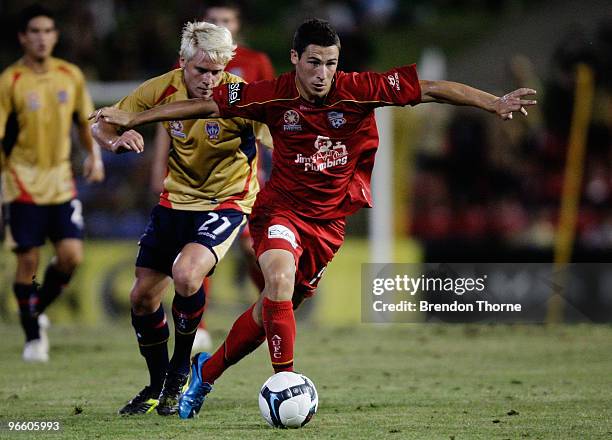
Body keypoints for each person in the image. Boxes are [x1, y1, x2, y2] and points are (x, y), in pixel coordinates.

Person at [93, 18, 537, 419]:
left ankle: (205, 373)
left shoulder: (360, 88)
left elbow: (433, 88)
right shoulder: (270, 90)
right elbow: (206, 106)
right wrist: (137, 117)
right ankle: (286, 382)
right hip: (278, 210)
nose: (322, 73)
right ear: (295, 59)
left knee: (274, 311)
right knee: (278, 280)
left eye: (330, 63)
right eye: (313, 63)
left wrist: (493, 103)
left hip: (329, 224)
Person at [91, 21, 268, 416]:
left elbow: (281, 135)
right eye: (201, 70)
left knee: (188, 275)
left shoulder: (240, 96)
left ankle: (178, 371)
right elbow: (100, 124)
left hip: (228, 200)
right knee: (141, 297)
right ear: (183, 62)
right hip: (176, 202)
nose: (209, 80)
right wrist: (116, 142)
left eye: (217, 71)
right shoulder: (159, 89)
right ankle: (156, 385)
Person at [149, 0, 276, 353]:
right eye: (214, 21)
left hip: (244, 179)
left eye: (226, 21)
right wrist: (160, 168)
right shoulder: (188, 69)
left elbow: (271, 114)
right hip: (194, 183)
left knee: (253, 249)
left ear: (236, 28)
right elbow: (166, 122)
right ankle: (199, 327)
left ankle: (267, 311)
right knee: (192, 257)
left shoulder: (255, 63)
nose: (220, 25)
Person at [0, 4, 105, 363]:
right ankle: (33, 339)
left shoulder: (70, 75)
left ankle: (35, 310)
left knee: (71, 256)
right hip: (22, 180)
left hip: (61, 180)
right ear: (23, 38)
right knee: (27, 261)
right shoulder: (10, 80)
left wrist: (94, 156)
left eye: (47, 31)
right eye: (35, 32)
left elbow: (83, 121)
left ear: (55, 36)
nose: (41, 38)